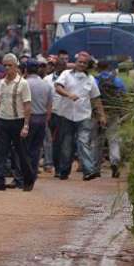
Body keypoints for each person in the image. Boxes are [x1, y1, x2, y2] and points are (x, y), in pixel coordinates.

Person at [54, 51, 108, 181]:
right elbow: (57, 87)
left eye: (84, 63)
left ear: (87, 65)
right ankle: (64, 170)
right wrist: (68, 95)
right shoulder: (66, 74)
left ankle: (89, 171)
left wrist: (102, 116)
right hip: (66, 115)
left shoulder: (90, 80)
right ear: (75, 62)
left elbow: (96, 99)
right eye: (80, 62)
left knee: (83, 142)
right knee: (67, 145)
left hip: (83, 115)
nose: (82, 64)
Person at [0, 53, 34, 191]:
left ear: (16, 66)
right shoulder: (2, 82)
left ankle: (27, 181)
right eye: (5, 65)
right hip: (3, 121)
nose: (7, 68)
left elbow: (27, 106)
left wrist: (26, 125)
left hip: (18, 121)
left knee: (21, 153)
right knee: (0, 153)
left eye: (10, 65)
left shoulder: (23, 83)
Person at [94, 61, 126, 178]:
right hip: (114, 113)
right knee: (114, 139)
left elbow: (92, 96)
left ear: (97, 68)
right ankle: (115, 162)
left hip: (99, 113)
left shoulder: (95, 80)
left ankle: (96, 168)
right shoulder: (117, 80)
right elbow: (123, 94)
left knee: (98, 140)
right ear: (108, 67)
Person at [25, 61, 53, 180]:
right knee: (37, 147)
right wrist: (46, 119)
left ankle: (25, 172)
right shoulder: (46, 85)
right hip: (41, 118)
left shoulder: (24, 84)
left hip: (28, 118)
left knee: (25, 146)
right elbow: (49, 105)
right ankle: (33, 171)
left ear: (26, 70)